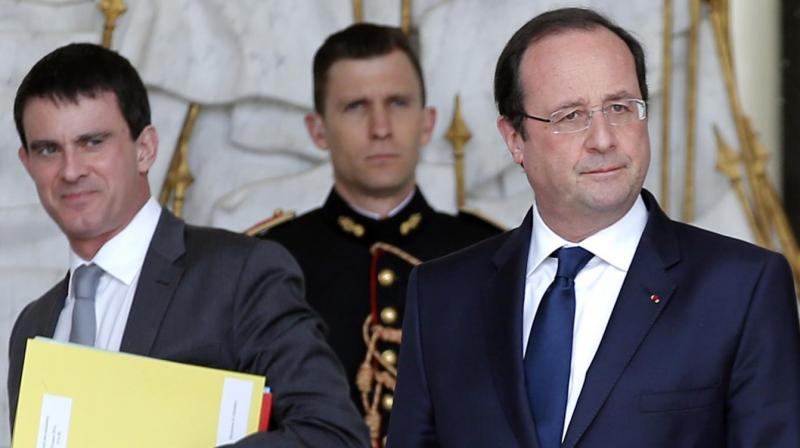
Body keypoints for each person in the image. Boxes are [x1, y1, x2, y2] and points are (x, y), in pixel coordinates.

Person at [387, 7, 800, 448]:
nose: (603, 138)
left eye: (620, 107)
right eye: (571, 115)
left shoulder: (741, 289)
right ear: (514, 139)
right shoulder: (441, 296)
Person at [8, 42, 369, 447]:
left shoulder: (241, 275)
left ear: (145, 149)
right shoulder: (32, 327)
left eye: (93, 142)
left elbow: (334, 436)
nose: (71, 170)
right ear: (27, 163)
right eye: (49, 150)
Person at [248, 23, 502, 442]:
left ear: (427, 122)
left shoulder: (489, 251)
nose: (380, 127)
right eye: (355, 107)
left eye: (398, 103)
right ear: (317, 129)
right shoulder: (267, 260)